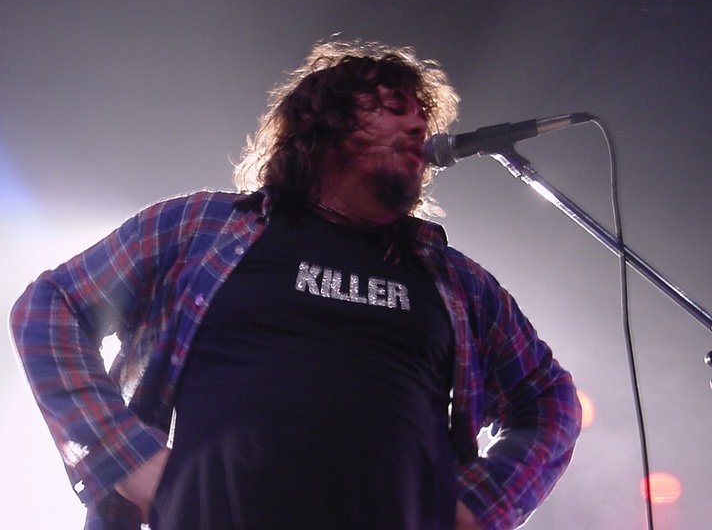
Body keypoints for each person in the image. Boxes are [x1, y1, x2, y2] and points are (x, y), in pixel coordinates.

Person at [10, 40, 581, 530]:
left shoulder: (458, 283)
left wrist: (479, 506)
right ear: (322, 126)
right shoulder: (201, 229)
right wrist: (128, 461)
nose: (417, 127)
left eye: (420, 118)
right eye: (391, 109)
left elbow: (549, 398)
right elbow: (50, 307)